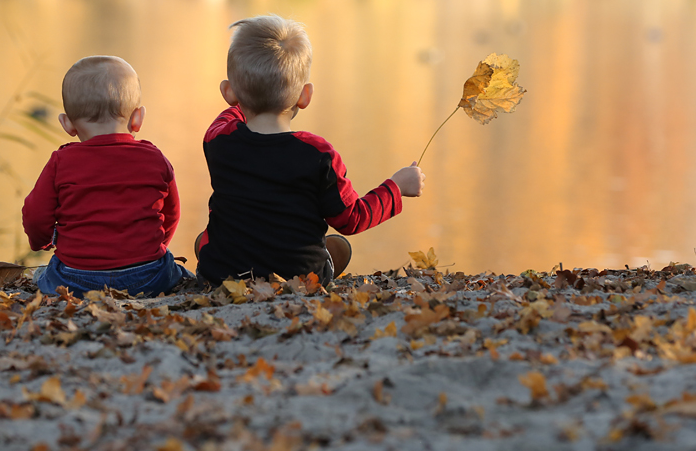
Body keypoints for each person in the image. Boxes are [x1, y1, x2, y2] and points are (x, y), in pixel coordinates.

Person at [196, 15, 425, 285]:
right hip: (300, 277)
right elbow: (351, 219)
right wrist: (396, 187)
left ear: (228, 92)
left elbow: (228, 118)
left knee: (203, 241)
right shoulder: (318, 154)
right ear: (305, 96)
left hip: (225, 275)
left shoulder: (219, 139)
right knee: (340, 246)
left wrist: (247, 94)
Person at [22, 55, 192, 297]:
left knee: (44, 276)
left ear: (67, 124)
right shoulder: (154, 157)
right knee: (180, 273)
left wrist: (42, 243)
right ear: (137, 118)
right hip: (148, 276)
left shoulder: (61, 162)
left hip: (75, 279)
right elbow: (171, 212)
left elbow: (35, 216)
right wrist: (156, 246)